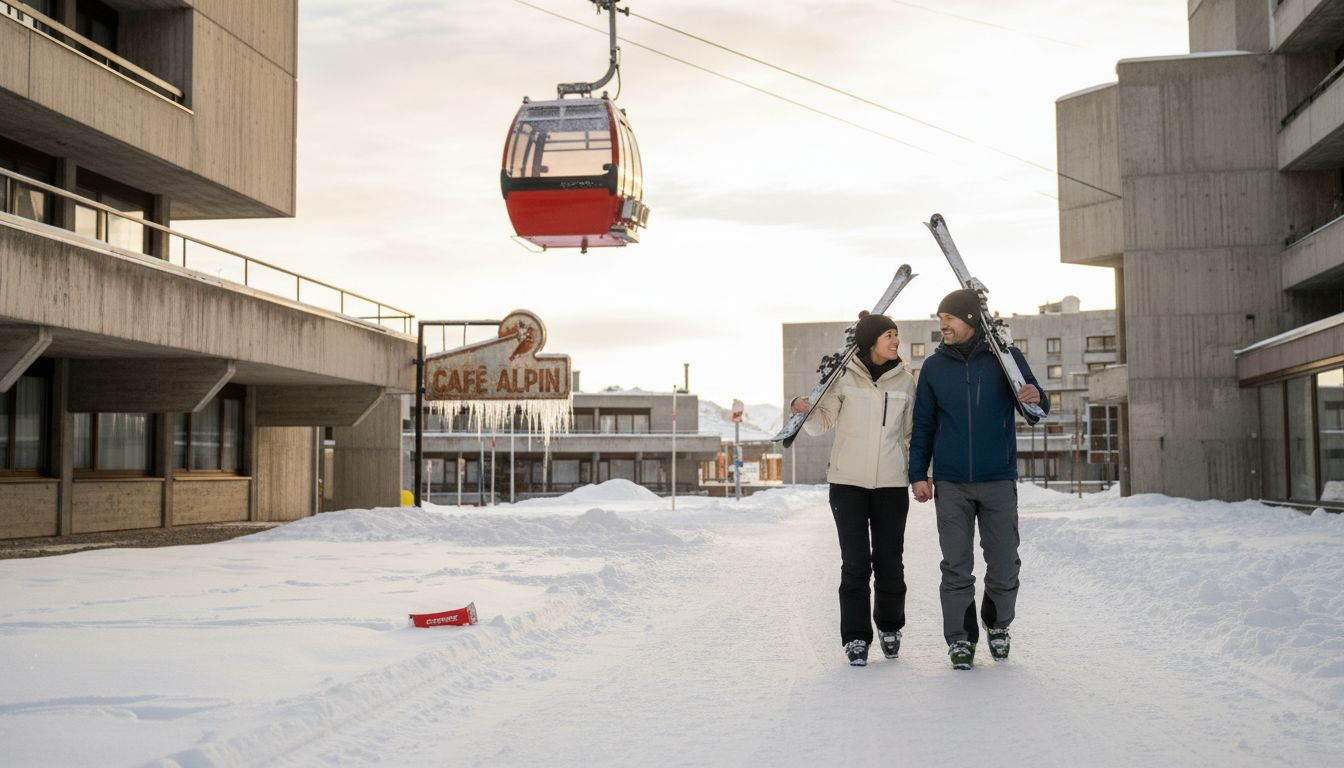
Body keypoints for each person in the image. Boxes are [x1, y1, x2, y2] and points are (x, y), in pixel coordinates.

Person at [908, 288, 1047, 670]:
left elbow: (1036, 407)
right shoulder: (934, 368)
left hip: (998, 479)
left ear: (970, 320)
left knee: (1003, 563)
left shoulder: (1005, 359)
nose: (942, 325)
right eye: (940, 318)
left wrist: (1036, 395)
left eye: (948, 318)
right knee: (956, 565)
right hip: (951, 482)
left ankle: (998, 625)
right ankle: (960, 640)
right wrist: (918, 473)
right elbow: (923, 424)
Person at [790, 311, 916, 667]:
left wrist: (923, 472)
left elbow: (911, 433)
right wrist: (805, 410)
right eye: (889, 335)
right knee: (856, 563)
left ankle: (891, 627)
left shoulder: (906, 381)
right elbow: (821, 424)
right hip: (847, 485)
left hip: (891, 484)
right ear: (871, 341)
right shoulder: (843, 378)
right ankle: (857, 638)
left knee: (890, 562)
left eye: (897, 335)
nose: (895, 341)